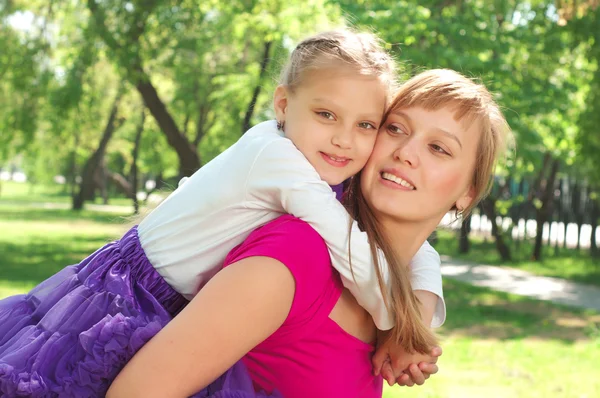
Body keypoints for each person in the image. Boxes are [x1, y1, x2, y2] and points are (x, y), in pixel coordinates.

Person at [0, 30, 444, 397]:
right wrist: (401, 327)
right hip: (126, 297)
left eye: (365, 124)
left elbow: (417, 250)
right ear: (284, 105)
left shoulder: (320, 160)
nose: (345, 140)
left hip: (180, 307)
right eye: (326, 114)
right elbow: (347, 243)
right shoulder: (278, 158)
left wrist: (419, 316)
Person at [107, 68, 512, 398]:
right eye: (395, 129)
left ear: (467, 193)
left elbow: (421, 258)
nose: (406, 152)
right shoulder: (295, 255)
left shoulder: (395, 281)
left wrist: (409, 323)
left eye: (439, 148)